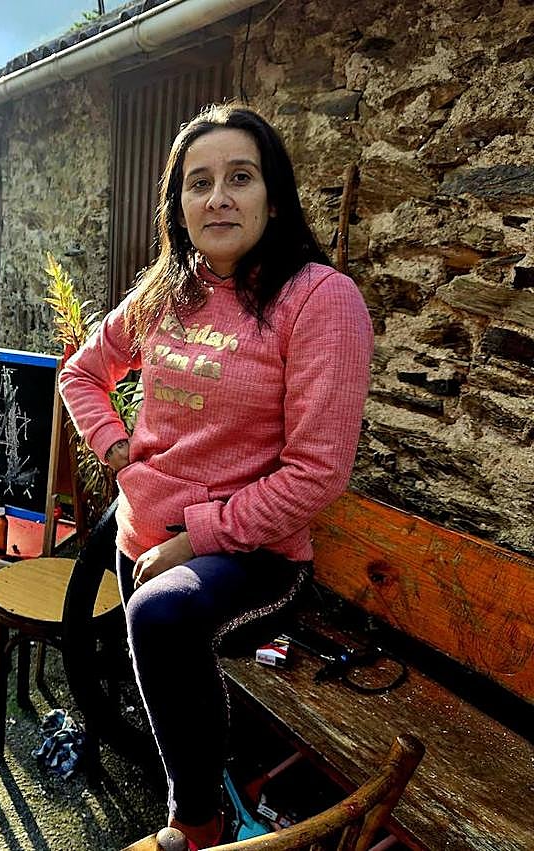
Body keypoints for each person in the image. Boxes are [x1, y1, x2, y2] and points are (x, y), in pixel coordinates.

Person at [58, 104, 373, 849]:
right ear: (178, 204)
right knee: (152, 637)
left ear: (273, 194)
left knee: (160, 618)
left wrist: (194, 536)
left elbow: (316, 474)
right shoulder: (170, 289)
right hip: (142, 539)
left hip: (251, 558)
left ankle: (199, 821)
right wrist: (118, 454)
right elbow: (81, 372)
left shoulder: (320, 300)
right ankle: (189, 773)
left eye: (240, 177)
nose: (218, 197)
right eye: (198, 182)